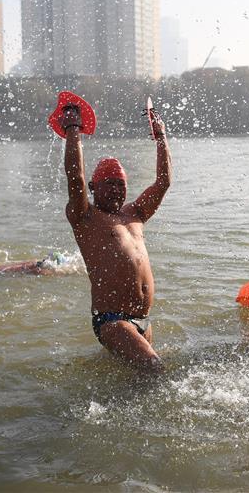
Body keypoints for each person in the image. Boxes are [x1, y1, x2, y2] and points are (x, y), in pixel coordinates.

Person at [59, 97, 171, 371]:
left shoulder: (136, 214)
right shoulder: (85, 216)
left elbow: (163, 182)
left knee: (135, 381)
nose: (116, 190)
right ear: (93, 188)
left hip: (143, 320)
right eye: (109, 184)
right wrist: (73, 130)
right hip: (112, 320)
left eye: (121, 185)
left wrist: (161, 137)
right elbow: (74, 177)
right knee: (154, 370)